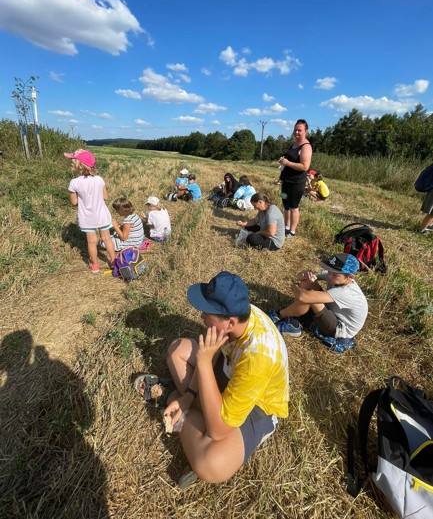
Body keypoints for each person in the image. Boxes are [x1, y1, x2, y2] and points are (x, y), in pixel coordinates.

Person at [133, 271, 289, 487]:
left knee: (212, 464)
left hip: (258, 406)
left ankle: (170, 396)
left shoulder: (258, 358)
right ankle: (187, 408)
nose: (201, 317)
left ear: (230, 322)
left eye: (208, 313)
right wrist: (189, 396)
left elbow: (217, 431)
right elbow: (216, 352)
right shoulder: (242, 315)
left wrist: (204, 362)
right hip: (230, 372)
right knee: (177, 350)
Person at [267, 253, 368, 352]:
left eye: (335, 274)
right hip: (332, 312)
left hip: (339, 328)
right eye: (329, 270)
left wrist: (294, 286)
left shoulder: (346, 292)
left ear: (350, 277)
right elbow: (302, 278)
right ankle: (295, 324)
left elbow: (303, 297)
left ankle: (278, 315)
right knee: (307, 283)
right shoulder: (334, 276)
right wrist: (303, 275)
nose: (330, 275)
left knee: (310, 296)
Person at [64, 149, 116, 273]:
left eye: (73, 161)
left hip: (87, 218)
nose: (71, 164)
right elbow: (105, 197)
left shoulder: (74, 183)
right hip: (102, 215)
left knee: (91, 242)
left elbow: (74, 202)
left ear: (79, 165)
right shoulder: (99, 179)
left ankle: (95, 266)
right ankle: (113, 261)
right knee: (107, 239)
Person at [278, 119, 312, 238]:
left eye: (300, 130)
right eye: (295, 130)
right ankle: (286, 226)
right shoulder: (293, 144)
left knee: (293, 207)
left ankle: (292, 231)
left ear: (306, 131)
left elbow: (304, 166)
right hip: (286, 181)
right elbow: (289, 159)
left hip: (296, 183)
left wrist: (287, 163)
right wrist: (283, 162)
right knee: (285, 204)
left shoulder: (306, 147)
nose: (296, 132)